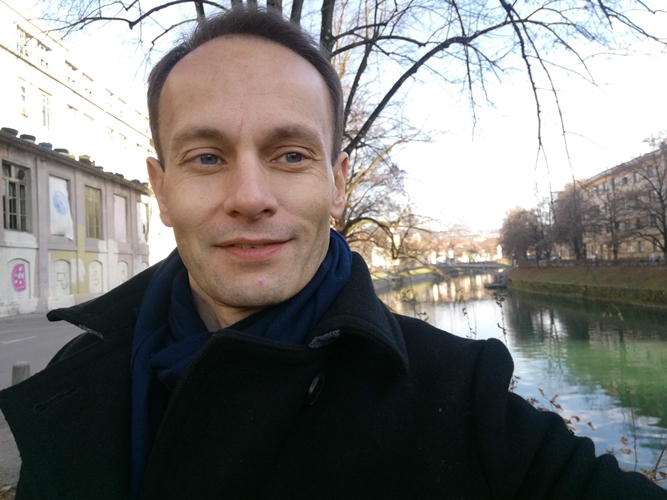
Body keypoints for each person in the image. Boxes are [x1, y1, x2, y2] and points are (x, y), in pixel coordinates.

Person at [0, 7, 665, 500]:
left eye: (291, 155)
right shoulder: (76, 384)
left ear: (337, 184)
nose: (250, 197)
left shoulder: (458, 399)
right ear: (161, 188)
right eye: (206, 158)